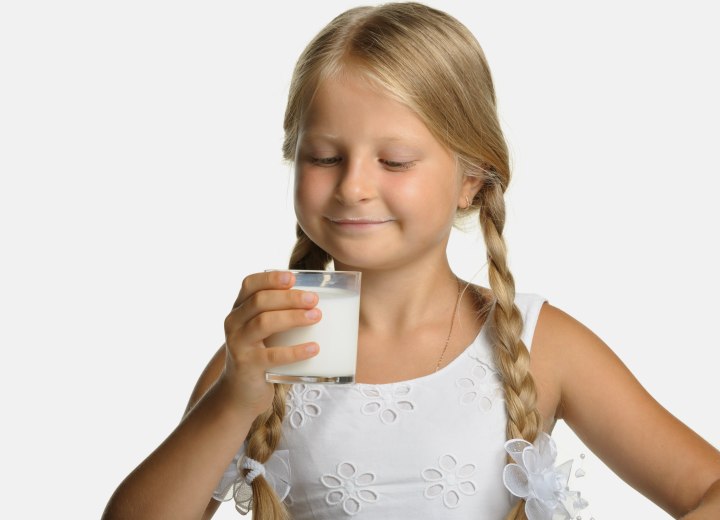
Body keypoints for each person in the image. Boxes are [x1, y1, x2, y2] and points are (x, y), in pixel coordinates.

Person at [101, 2, 720, 519]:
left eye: (394, 161)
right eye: (323, 157)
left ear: (472, 180)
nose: (352, 187)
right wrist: (235, 397)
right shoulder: (274, 345)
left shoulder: (538, 345)